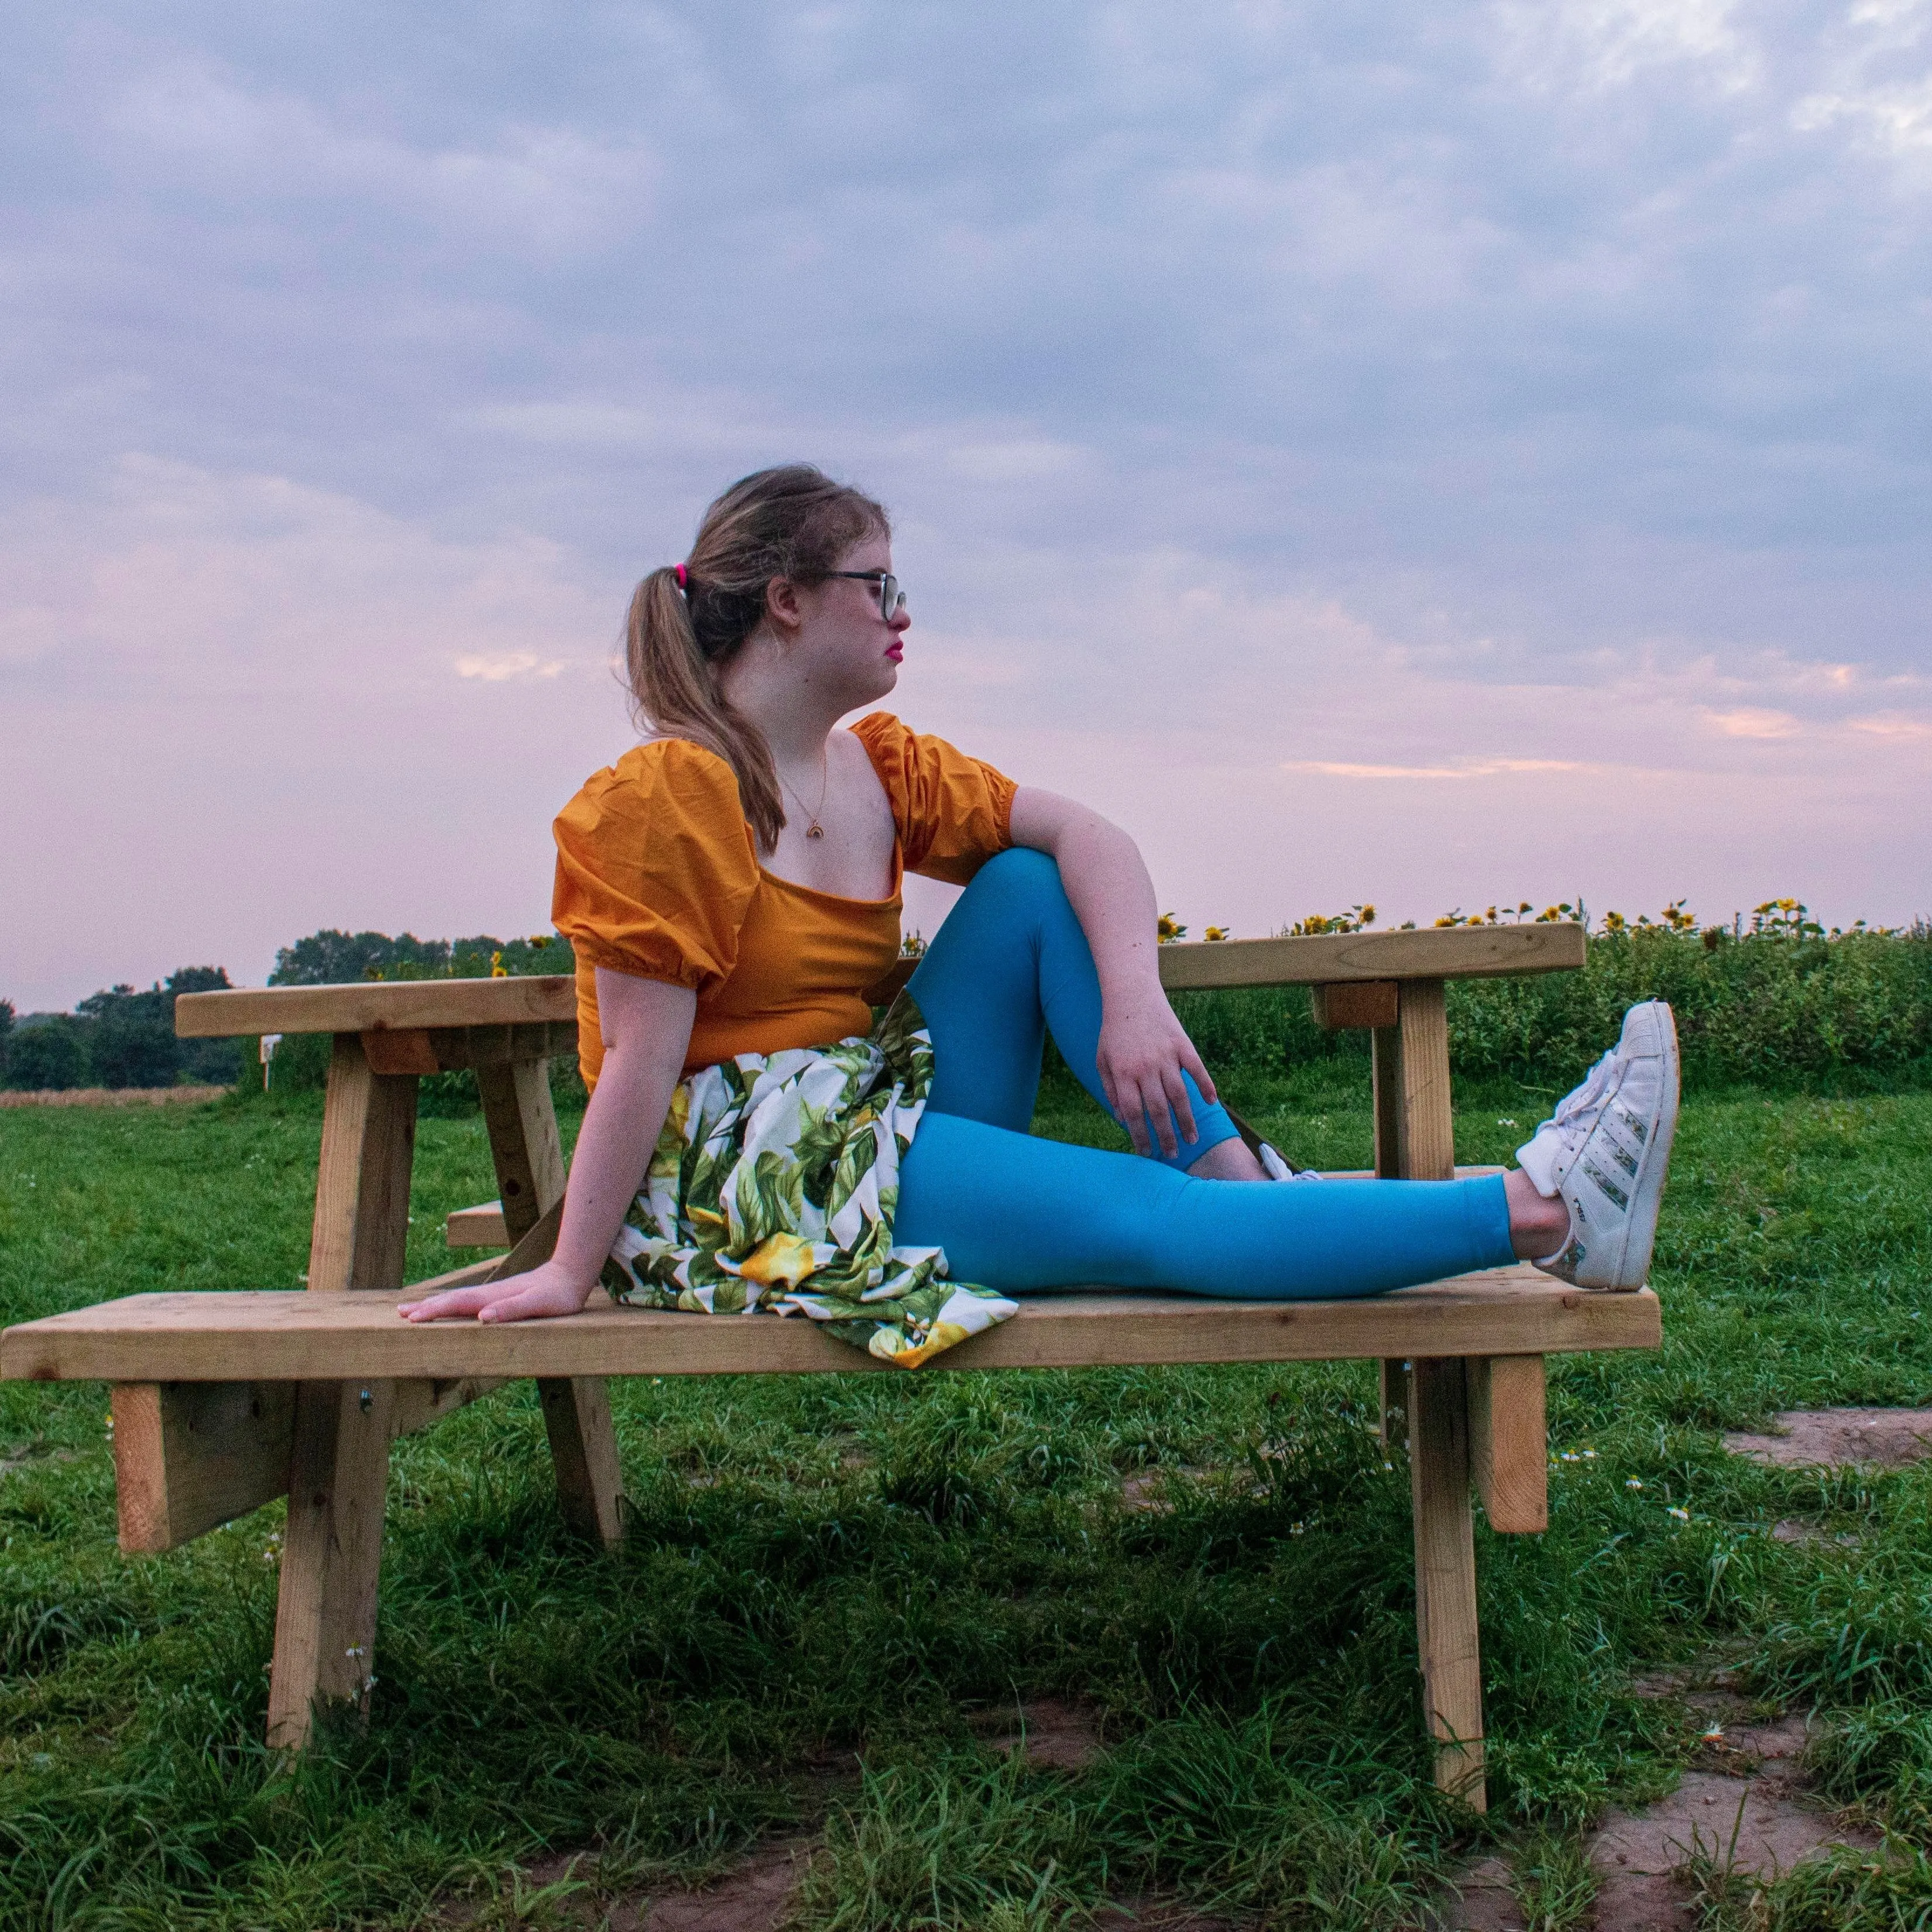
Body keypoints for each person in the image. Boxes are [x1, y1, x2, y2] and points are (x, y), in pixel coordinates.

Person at [402, 465, 1677, 1353]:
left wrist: (1132, 999)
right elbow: (639, 1056)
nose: (903, 614)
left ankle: (1241, 1186)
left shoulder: (881, 769)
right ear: (788, 601)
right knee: (1153, 1225)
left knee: (1025, 878)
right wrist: (570, 1268)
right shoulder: (667, 796)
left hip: (863, 1102)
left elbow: (1092, 838)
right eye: (878, 587)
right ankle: (1547, 1214)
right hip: (756, 1178)